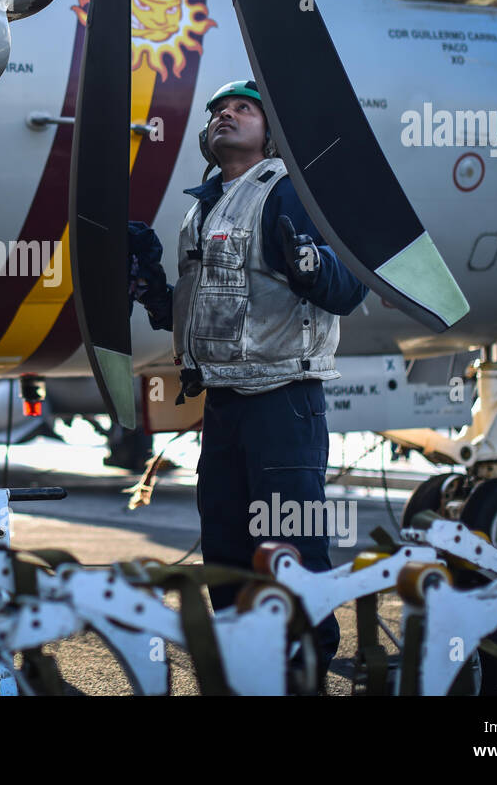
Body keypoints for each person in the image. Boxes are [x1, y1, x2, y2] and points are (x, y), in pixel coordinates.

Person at [129, 79, 369, 685]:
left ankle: (304, 673)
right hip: (226, 403)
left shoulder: (290, 192)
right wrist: (150, 280)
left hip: (285, 403)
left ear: (272, 132)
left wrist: (311, 261)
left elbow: (349, 286)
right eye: (216, 111)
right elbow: (190, 316)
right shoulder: (201, 207)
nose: (223, 116)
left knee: (291, 550)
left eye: (242, 108)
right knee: (229, 549)